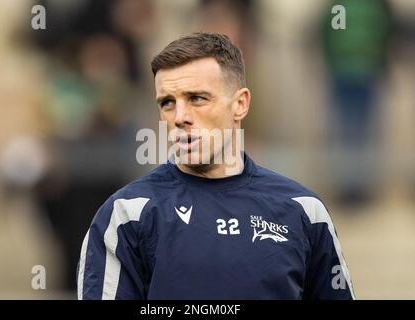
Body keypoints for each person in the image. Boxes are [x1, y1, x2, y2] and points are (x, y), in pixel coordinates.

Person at [77, 32, 355, 299]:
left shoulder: (304, 210)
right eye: (168, 103)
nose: (180, 116)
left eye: (197, 98)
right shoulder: (127, 215)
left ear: (240, 104)